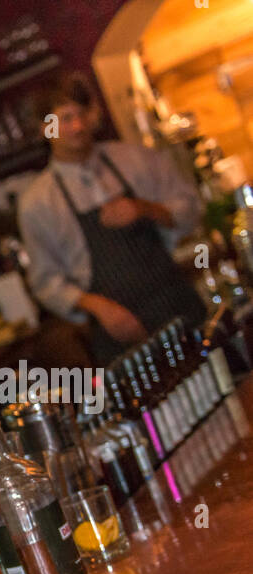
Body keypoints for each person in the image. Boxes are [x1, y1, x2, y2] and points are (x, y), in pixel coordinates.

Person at [17, 72, 206, 364]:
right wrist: (99, 307)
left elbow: (191, 207)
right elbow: (46, 282)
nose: (78, 126)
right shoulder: (38, 203)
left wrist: (146, 209)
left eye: (82, 115)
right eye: (65, 119)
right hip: (119, 333)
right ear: (45, 128)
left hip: (177, 303)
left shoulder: (135, 159)